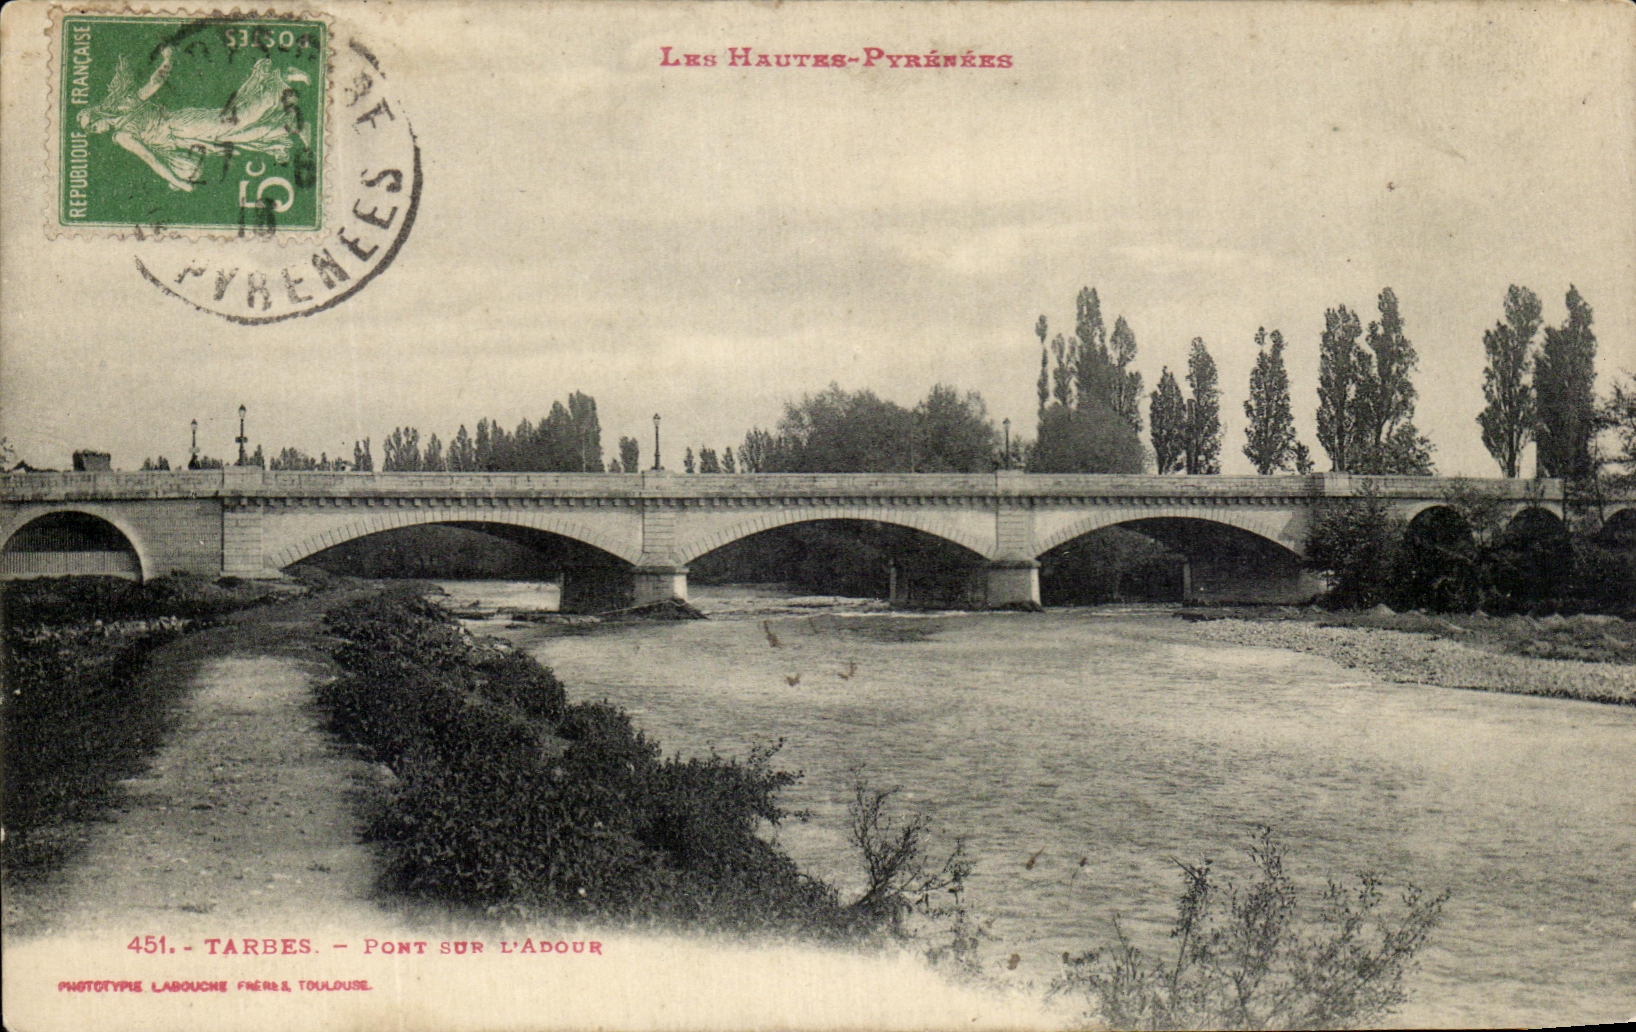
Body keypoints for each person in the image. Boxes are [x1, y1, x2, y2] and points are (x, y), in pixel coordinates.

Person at [77, 46, 311, 192]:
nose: (96, 131)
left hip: (181, 126)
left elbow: (151, 160)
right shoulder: (125, 108)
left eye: (92, 126)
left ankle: (279, 82)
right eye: (91, 131)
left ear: (98, 116)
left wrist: (180, 184)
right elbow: (155, 83)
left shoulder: (122, 135)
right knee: (235, 136)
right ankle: (289, 126)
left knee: (233, 122)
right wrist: (167, 60)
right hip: (183, 136)